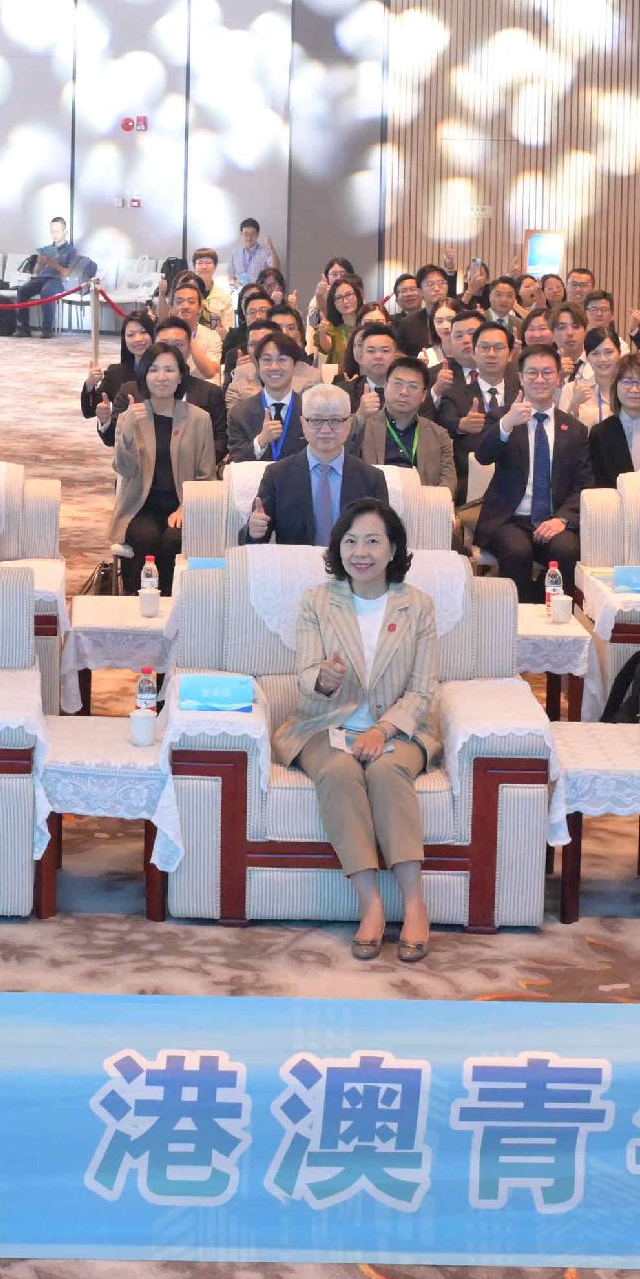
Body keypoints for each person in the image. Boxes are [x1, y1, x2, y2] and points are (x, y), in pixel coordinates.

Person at [272, 501, 441, 962]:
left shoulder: (417, 606)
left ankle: (414, 904)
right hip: (325, 725)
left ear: (392, 550)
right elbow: (306, 675)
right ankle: (370, 905)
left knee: (387, 773)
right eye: (350, 541)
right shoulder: (318, 601)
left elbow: (424, 689)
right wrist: (325, 679)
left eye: (372, 541)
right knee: (340, 772)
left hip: (400, 730)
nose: (359, 552)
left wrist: (384, 730)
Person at [468, 345, 597, 596]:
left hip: (554, 518)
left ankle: (558, 619)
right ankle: (518, 620)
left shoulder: (574, 429)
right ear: (520, 377)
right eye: (532, 373)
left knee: (567, 550)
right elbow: (483, 456)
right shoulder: (502, 417)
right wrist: (507, 424)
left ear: (559, 377)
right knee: (518, 551)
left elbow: (584, 483)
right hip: (509, 519)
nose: (540, 379)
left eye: (547, 372)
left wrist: (562, 520)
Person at [105, 343, 217, 590]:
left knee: (173, 540)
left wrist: (187, 506)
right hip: (140, 505)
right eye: (154, 370)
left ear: (180, 377)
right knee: (145, 539)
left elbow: (206, 476)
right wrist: (128, 432)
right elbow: (124, 469)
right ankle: (139, 609)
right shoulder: (129, 416)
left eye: (169, 370)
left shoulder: (199, 419)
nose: (162, 377)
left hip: (182, 505)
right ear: (145, 375)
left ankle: (172, 608)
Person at [243, 381, 387, 552]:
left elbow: (383, 538)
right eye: (316, 421)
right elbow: (255, 540)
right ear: (303, 423)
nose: (326, 430)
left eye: (335, 421)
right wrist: (254, 531)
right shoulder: (277, 475)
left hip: (353, 571)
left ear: (348, 424)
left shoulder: (371, 478)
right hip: (296, 570)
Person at [359, 359, 457, 499]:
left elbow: (448, 484)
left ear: (423, 395)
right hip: (375, 508)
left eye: (413, 386)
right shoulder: (363, 427)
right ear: (385, 386)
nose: (404, 392)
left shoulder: (439, 435)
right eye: (398, 384)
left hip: (423, 508)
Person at [221, 330, 314, 463]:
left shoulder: (310, 412)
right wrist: (261, 441)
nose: (274, 367)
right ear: (258, 364)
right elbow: (236, 463)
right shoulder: (239, 414)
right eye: (267, 360)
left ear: (295, 365)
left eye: (282, 359)